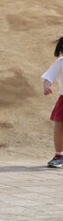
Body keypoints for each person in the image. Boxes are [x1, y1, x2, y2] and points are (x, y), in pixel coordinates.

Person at [42, 36, 63, 167]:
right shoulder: (61, 62)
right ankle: (59, 156)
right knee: (59, 126)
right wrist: (46, 86)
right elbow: (48, 77)